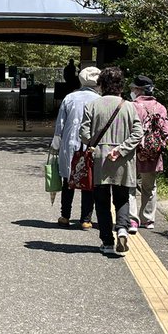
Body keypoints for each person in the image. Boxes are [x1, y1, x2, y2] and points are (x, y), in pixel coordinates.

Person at [79, 66, 142, 256]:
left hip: (100, 159)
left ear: (101, 85)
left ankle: (107, 242)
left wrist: (96, 144)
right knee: (122, 198)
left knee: (102, 202)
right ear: (120, 85)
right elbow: (138, 133)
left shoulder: (93, 106)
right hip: (123, 160)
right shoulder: (129, 106)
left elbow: (84, 133)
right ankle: (122, 229)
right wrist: (120, 150)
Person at [51, 65, 101, 228]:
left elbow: (60, 124)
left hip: (70, 144)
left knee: (68, 180)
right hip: (91, 145)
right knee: (88, 181)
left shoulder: (70, 98)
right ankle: (85, 219)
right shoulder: (99, 100)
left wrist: (56, 144)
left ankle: (65, 216)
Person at [127, 75, 168, 231]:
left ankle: (132, 220)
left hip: (133, 151)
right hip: (153, 154)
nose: (132, 91)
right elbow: (166, 132)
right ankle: (148, 219)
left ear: (138, 90)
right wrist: (156, 146)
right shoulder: (160, 107)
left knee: (130, 185)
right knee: (150, 187)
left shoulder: (131, 106)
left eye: (133, 88)